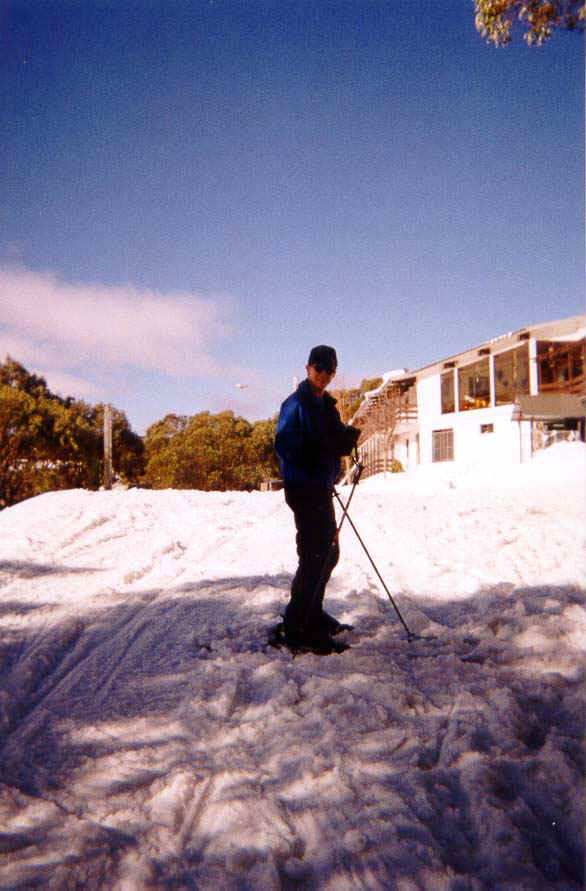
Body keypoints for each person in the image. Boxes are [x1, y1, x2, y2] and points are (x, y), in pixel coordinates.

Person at [274, 345, 360, 653]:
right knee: (315, 555)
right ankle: (300, 628)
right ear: (309, 368)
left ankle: (311, 613)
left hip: (321, 487)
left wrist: (345, 440)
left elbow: (333, 437)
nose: (324, 375)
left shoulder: (326, 406)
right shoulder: (294, 404)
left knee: (328, 553)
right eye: (319, 368)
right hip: (304, 488)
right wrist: (320, 448)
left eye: (329, 370)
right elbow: (284, 446)